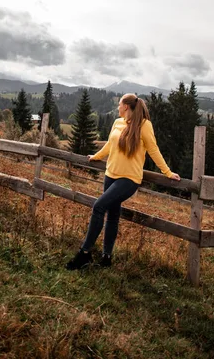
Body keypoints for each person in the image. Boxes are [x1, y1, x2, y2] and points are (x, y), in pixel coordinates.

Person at [66, 93, 180, 270]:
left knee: (98, 207)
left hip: (128, 179)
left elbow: (153, 150)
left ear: (126, 106)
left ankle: (84, 254)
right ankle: (106, 258)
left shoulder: (145, 125)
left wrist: (167, 172)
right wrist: (96, 156)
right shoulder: (117, 123)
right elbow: (110, 145)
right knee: (112, 215)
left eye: (119, 104)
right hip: (110, 174)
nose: (118, 107)